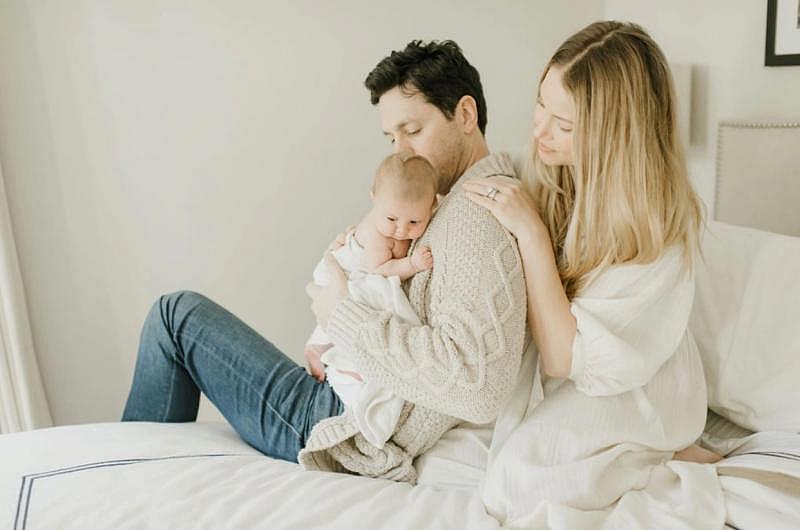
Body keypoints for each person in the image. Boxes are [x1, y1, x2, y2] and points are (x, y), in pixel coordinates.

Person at [121, 39, 527, 484]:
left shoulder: (476, 213)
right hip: (346, 391)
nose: (401, 153)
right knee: (176, 314)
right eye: (392, 138)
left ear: (465, 115)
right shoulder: (451, 203)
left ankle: (126, 487)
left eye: (412, 131)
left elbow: (477, 386)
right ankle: (136, 485)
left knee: (174, 316)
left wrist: (340, 315)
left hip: (341, 420)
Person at [463, 21, 721, 527]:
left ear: (612, 137)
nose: (539, 130)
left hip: (637, 387)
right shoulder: (549, 168)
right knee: (505, 471)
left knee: (514, 486)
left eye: (563, 124)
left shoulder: (656, 233)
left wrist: (533, 235)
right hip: (581, 368)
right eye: (541, 104)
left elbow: (562, 358)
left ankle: (658, 451)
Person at [303, 152, 438, 449]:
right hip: (351, 270)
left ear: (433, 207)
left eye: (414, 221)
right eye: (392, 218)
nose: (401, 229)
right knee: (362, 303)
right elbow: (379, 270)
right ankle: (320, 349)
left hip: (356, 274)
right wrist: (412, 264)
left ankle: (319, 346)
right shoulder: (378, 234)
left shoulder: (398, 218)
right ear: (374, 199)